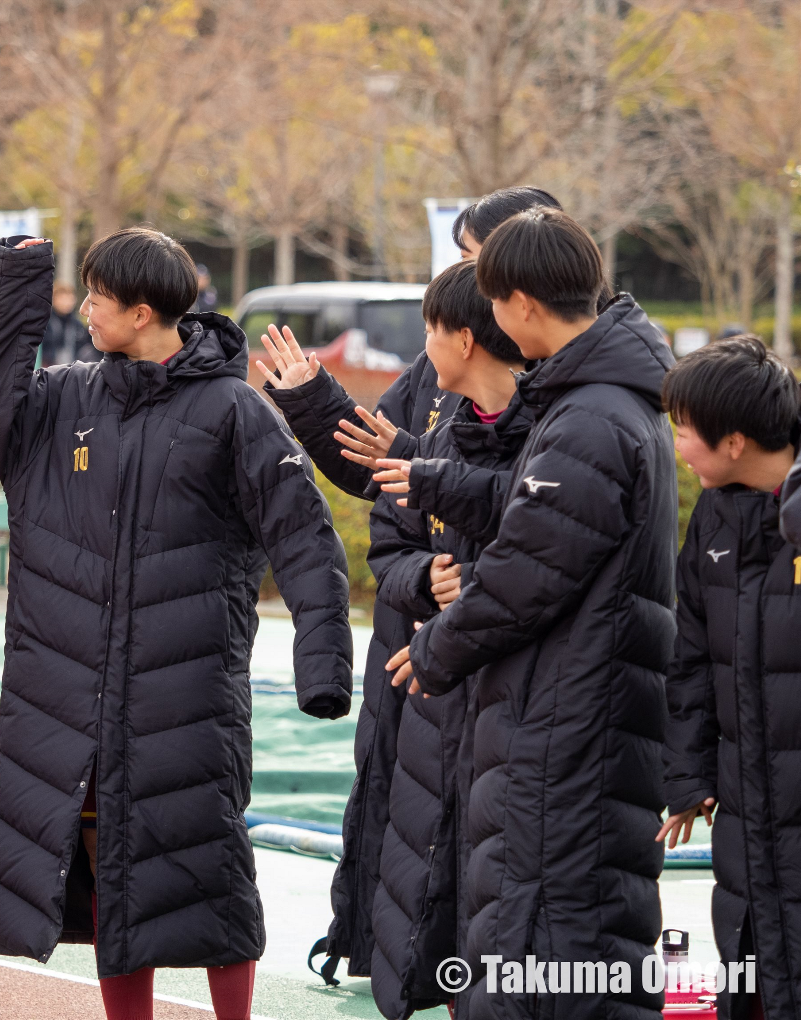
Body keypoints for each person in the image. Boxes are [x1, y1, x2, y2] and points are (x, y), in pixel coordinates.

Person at [0, 228, 353, 1020]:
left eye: (98, 296)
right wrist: (20, 279)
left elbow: (305, 538)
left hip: (186, 696)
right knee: (103, 884)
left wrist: (325, 667)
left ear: (142, 312)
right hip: (63, 695)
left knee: (211, 878)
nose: (87, 308)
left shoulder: (234, 410)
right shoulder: (61, 397)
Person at [379, 208, 677, 1019]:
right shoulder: (601, 400)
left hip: (565, 720)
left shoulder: (588, 416)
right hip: (576, 709)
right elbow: (535, 508)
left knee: (535, 949)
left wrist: (439, 646)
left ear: (517, 303)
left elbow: (527, 572)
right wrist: (434, 477)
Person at [264, 186, 563, 984]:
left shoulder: (561, 396)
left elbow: (531, 522)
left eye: (474, 259)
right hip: (414, 650)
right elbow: (383, 481)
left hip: (485, 666)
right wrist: (311, 400)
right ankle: (378, 951)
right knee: (396, 815)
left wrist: (429, 479)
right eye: (461, 258)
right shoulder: (440, 377)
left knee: (480, 858)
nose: (463, 274)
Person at [359, 261, 531, 1020]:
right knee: (439, 900)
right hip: (439, 705)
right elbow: (388, 551)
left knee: (504, 923)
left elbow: (547, 555)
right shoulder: (445, 431)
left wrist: (475, 588)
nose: (422, 349)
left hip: (504, 703)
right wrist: (429, 578)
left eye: (430, 329)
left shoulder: (558, 434)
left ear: (465, 336)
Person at [659, 336, 801, 1020]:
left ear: (735, 440)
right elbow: (690, 657)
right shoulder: (713, 516)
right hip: (746, 815)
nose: (678, 445)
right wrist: (687, 778)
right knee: (752, 965)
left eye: (685, 430)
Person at [42, 280, 100, 365]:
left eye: (70, 298)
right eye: (62, 298)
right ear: (53, 299)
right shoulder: (45, 323)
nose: (66, 302)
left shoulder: (78, 325)